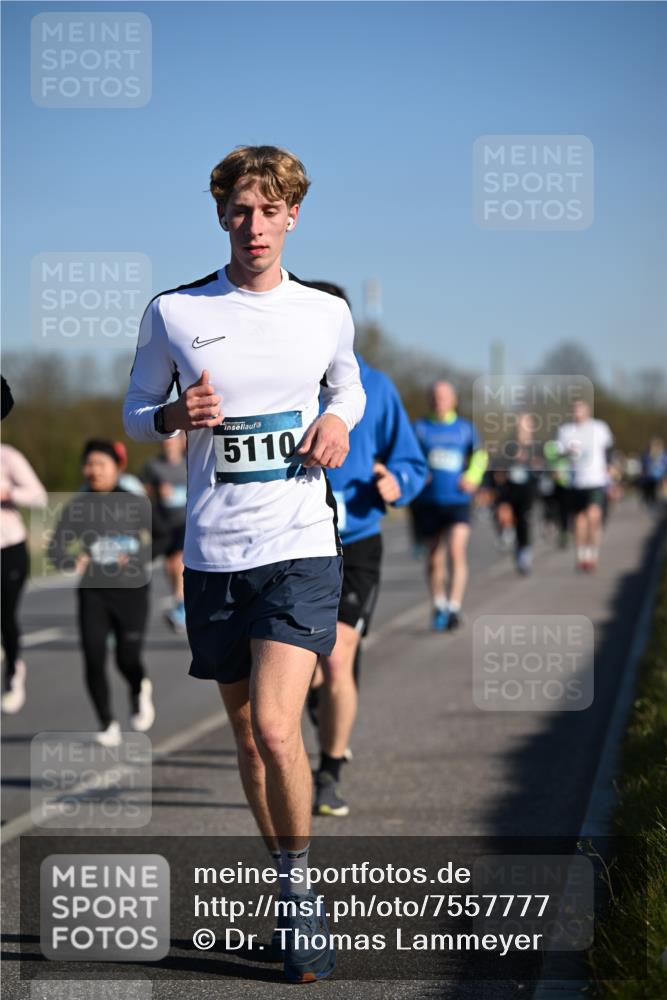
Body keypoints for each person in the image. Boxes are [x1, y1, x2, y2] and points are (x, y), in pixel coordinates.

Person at [123, 145, 365, 983]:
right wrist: (170, 413)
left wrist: (338, 423)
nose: (253, 225)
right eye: (238, 209)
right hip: (215, 557)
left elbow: (350, 387)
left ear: (292, 214)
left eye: (269, 210)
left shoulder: (325, 312)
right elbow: (135, 406)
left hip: (298, 544)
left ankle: (299, 898)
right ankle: (283, 873)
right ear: (221, 213)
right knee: (248, 741)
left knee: (273, 725)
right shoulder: (176, 312)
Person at [302, 281, 427, 818]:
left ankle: (328, 773)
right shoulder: (281, 385)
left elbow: (410, 462)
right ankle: (321, 712)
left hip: (355, 542)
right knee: (302, 667)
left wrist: (397, 481)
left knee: (338, 658)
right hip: (294, 541)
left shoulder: (376, 386)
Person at [48, 440, 156, 745]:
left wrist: (137, 557)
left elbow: (162, 536)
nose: (93, 471)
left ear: (117, 468)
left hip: (131, 590)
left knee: (127, 657)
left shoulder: (135, 502)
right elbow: (55, 547)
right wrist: (72, 559)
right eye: (89, 464)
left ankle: (138, 687)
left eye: (101, 464)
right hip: (93, 591)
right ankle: (107, 722)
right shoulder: (78, 507)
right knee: (93, 658)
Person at [411, 381, 488, 630]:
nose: (439, 401)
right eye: (434, 397)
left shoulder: (465, 428)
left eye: (443, 397)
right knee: (435, 558)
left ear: (453, 400)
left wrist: (473, 477)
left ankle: (454, 607)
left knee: (456, 550)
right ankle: (439, 603)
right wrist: (419, 472)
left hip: (458, 500)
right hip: (429, 501)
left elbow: (480, 454)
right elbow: (408, 457)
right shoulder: (419, 428)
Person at [1, 442, 47, 713]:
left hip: (9, 548)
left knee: (5, 614)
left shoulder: (7, 456)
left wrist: (7, 492)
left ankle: (13, 672)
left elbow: (38, 496)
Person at [555, 399, 614, 572]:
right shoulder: (565, 431)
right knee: (580, 522)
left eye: (581, 409)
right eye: (575, 409)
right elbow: (557, 454)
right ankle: (582, 555)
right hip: (576, 482)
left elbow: (609, 449)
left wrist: (610, 470)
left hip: (595, 480)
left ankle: (593, 554)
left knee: (594, 517)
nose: (577, 412)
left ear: (588, 410)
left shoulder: (599, 428)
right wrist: (566, 454)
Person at [141, 433, 188, 632]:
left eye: (173, 439)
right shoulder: (153, 466)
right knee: (171, 566)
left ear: (181, 442)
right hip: (163, 524)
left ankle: (181, 607)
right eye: (166, 439)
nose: (168, 443)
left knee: (178, 562)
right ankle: (182, 601)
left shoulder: (191, 462)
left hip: (187, 521)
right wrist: (158, 493)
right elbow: (142, 491)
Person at [487, 413, 539, 575]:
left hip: (527, 492)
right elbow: (498, 466)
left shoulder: (536, 447)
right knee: (504, 515)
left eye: (525, 424)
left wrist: (531, 462)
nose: (521, 428)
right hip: (509, 490)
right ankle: (505, 533)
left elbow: (542, 468)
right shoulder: (509, 445)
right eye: (519, 424)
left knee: (523, 523)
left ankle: (523, 553)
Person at [640, 437, 666, 509]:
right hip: (649, 479)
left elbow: (665, 466)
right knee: (650, 495)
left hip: (660, 479)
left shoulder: (663, 456)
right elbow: (644, 466)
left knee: (659, 495)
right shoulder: (646, 455)